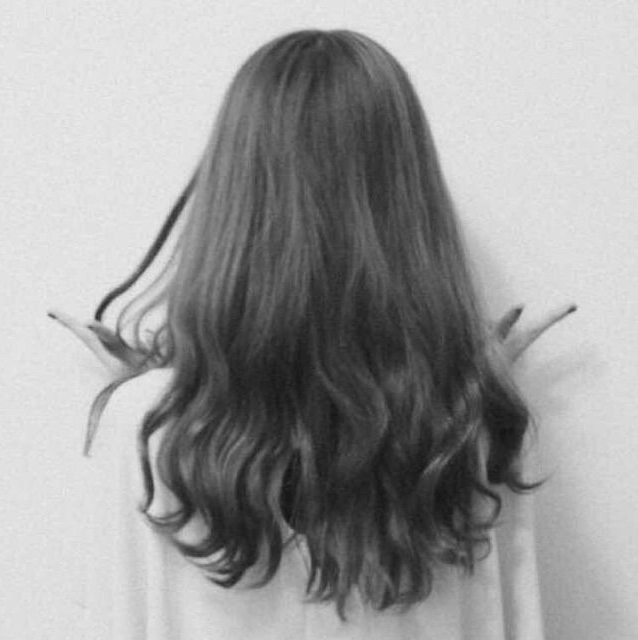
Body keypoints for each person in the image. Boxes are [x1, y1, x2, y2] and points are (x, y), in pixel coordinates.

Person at [49, 28, 577, 640]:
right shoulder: (473, 430)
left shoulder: (147, 430)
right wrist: (476, 395)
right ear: (408, 197)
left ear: (235, 195)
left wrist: (154, 401)